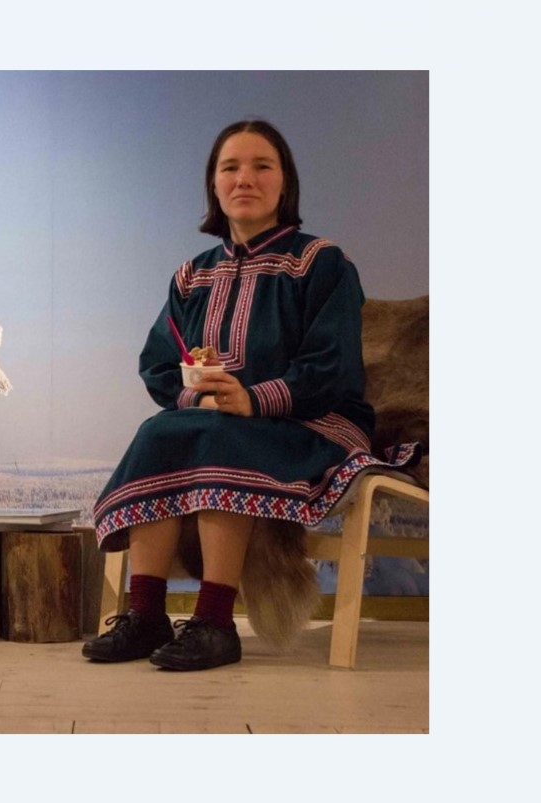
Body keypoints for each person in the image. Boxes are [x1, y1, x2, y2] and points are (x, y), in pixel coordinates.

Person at [82, 120, 421, 671]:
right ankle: (145, 615)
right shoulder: (192, 277)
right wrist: (200, 398)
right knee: (156, 432)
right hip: (216, 422)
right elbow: (159, 364)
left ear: (285, 183)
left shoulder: (320, 263)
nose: (245, 178)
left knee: (221, 434)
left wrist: (255, 399)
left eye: (262, 166)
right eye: (230, 168)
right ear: (214, 186)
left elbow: (332, 366)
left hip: (314, 423)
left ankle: (216, 622)